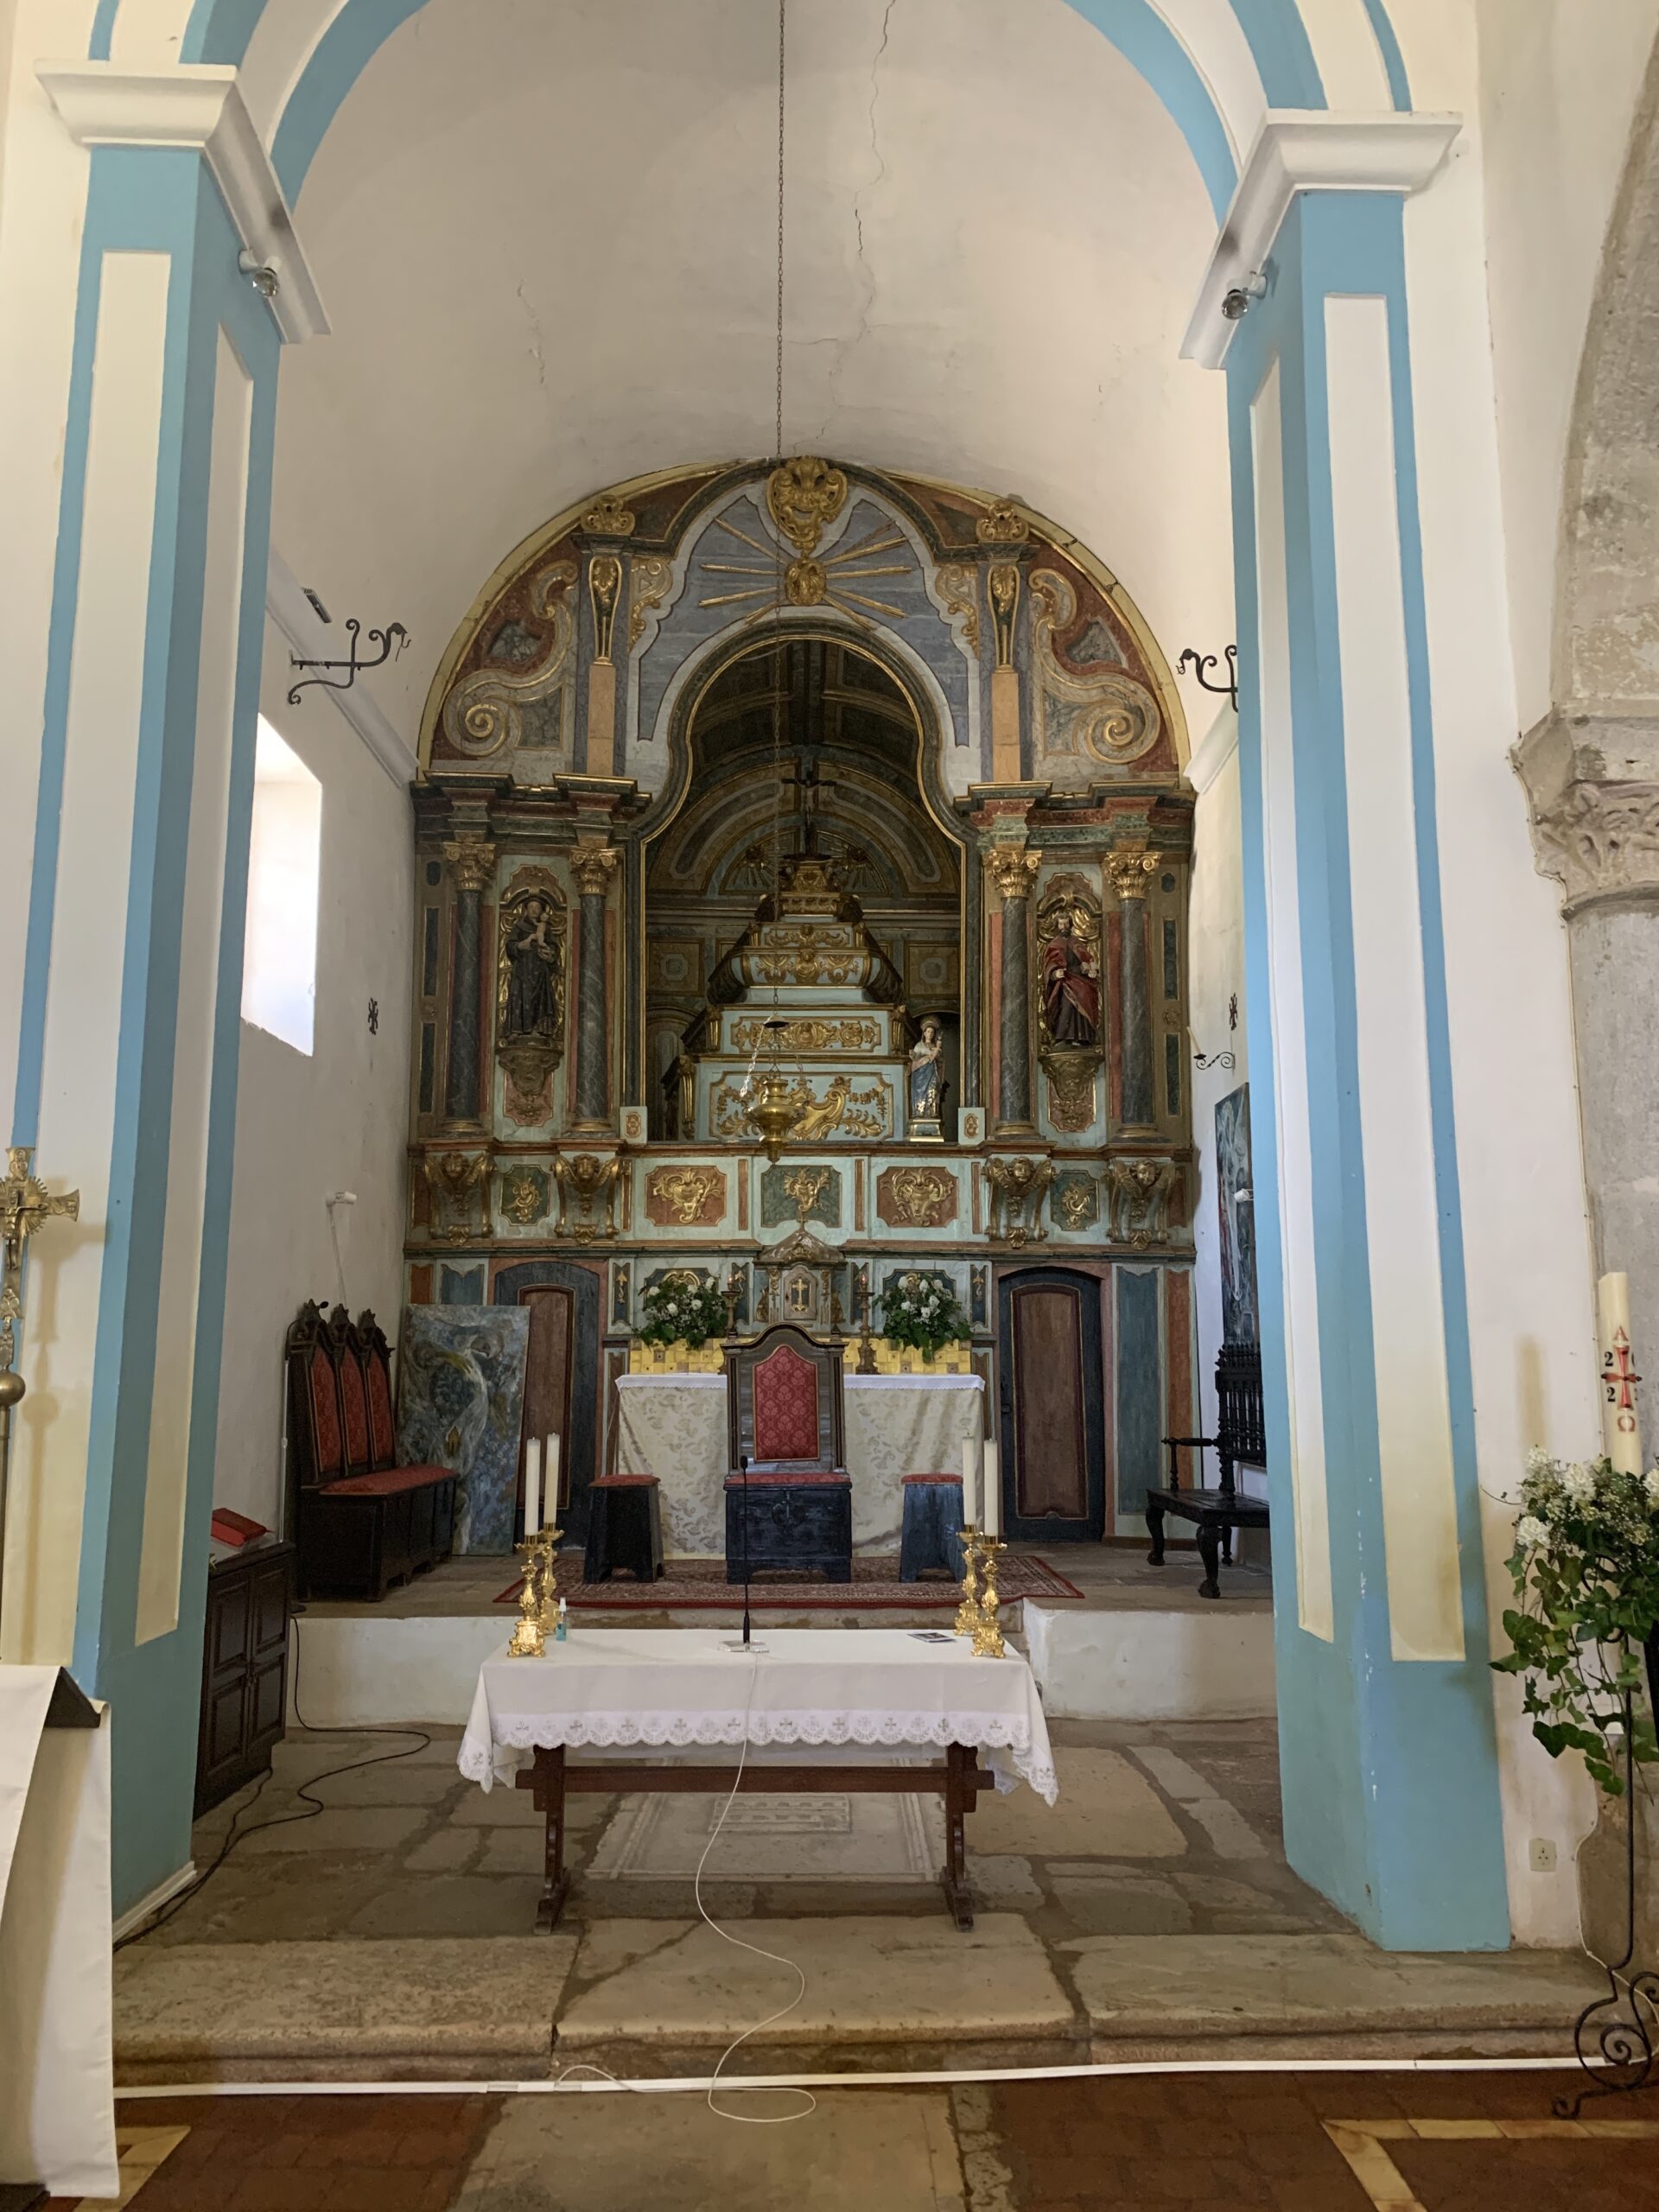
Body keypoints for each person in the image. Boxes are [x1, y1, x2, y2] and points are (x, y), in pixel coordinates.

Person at [503, 895, 561, 1041]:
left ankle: (538, 1028)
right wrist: (518, 946)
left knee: (540, 1000)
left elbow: (554, 947)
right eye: (531, 907)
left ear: (541, 911)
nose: (534, 910)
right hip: (522, 970)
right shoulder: (519, 927)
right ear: (526, 910)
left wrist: (549, 953)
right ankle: (516, 1029)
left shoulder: (545, 929)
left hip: (540, 970)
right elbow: (510, 945)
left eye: (537, 907)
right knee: (519, 997)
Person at [1042, 911, 1100, 1047]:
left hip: (1080, 977)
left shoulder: (1076, 942)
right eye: (1061, 924)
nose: (1064, 927)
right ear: (1057, 926)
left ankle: (1082, 1038)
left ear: (1070, 925)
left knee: (1084, 996)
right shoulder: (1054, 944)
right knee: (1067, 1004)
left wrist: (1090, 968)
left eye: (1066, 924)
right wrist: (1054, 973)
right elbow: (1049, 964)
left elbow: (1088, 958)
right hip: (1064, 979)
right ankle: (1062, 1037)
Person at [908, 1016, 944, 1120]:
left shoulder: (935, 1047)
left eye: (932, 1032)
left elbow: (941, 1060)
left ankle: (932, 1111)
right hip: (921, 1073)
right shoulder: (919, 1045)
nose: (930, 1034)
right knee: (921, 1091)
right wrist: (915, 1056)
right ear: (924, 1033)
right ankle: (920, 1111)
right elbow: (915, 1059)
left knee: (933, 1089)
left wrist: (937, 1054)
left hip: (932, 1071)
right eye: (928, 1032)